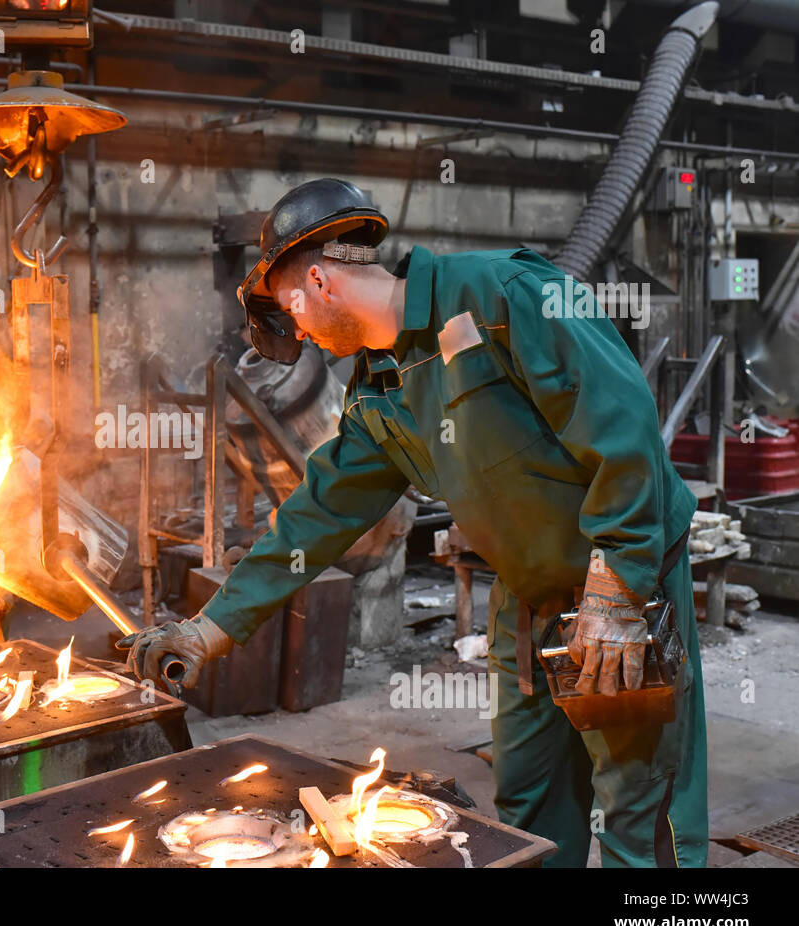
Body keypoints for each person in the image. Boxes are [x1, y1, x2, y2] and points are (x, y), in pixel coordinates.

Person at [119, 178, 707, 868]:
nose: (297, 330)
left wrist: (617, 584)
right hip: (526, 602)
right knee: (529, 810)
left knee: (637, 811)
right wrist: (207, 629)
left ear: (318, 279)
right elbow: (315, 518)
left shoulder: (503, 295)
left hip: (622, 589)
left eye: (291, 308)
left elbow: (624, 424)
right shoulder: (379, 394)